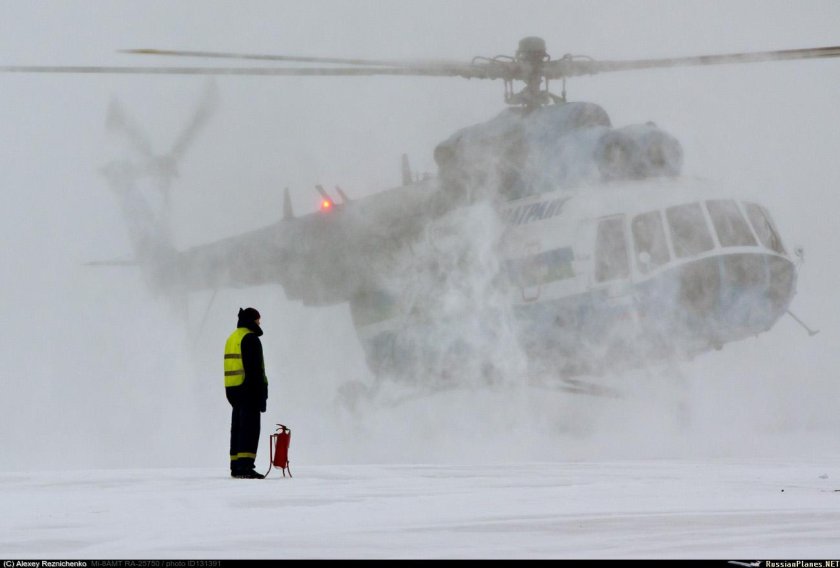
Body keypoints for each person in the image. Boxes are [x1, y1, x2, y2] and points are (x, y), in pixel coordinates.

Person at [224, 307, 269, 479]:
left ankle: (236, 465)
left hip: (233, 390)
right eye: (258, 319)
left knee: (237, 428)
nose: (259, 323)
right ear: (253, 320)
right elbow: (255, 370)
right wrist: (261, 394)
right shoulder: (250, 339)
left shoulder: (233, 337)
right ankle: (245, 466)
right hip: (248, 390)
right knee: (250, 429)